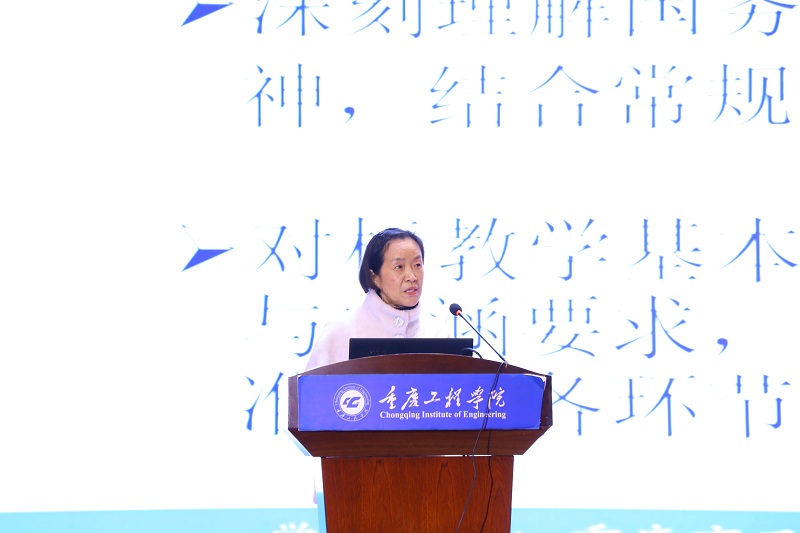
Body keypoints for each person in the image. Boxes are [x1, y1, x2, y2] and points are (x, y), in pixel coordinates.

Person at [304, 228, 450, 370]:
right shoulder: (340, 331)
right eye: (399, 267)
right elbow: (310, 386)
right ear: (374, 276)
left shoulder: (438, 333)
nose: (412, 277)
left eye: (417, 265)